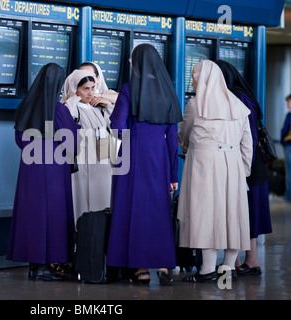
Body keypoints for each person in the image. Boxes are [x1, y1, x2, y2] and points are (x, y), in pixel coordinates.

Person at [106, 44, 182, 285]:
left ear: (136, 64)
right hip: (159, 157)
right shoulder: (169, 93)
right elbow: (173, 141)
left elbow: (117, 127)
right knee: (159, 210)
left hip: (132, 153)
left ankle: (140, 269)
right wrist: (173, 175)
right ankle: (163, 265)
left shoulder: (128, 90)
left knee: (133, 210)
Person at [178, 60, 253, 283]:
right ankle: (227, 268)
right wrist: (243, 171)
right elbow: (246, 144)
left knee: (205, 215)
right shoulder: (238, 107)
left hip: (203, 165)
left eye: (194, 76)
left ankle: (207, 270)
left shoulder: (195, 104)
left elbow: (185, 134)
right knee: (232, 215)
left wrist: (187, 148)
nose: (192, 81)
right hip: (233, 165)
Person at [6, 63, 80, 281]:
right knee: (55, 214)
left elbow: (20, 139)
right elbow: (72, 143)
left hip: (30, 170)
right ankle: (49, 265)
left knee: (32, 214)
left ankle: (34, 265)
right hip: (56, 168)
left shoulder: (26, 106)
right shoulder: (59, 110)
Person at [215, 60, 272, 277]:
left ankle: (251, 261)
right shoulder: (241, 93)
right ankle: (238, 262)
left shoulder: (238, 96)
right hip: (248, 162)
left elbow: (248, 136)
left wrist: (241, 163)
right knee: (243, 211)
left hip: (248, 164)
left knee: (248, 211)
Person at [61, 69, 114, 224]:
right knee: (83, 205)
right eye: (86, 89)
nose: (91, 93)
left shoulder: (97, 108)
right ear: (74, 89)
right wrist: (72, 99)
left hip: (102, 164)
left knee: (103, 203)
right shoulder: (70, 107)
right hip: (83, 166)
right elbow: (66, 123)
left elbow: (115, 126)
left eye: (92, 88)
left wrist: (108, 104)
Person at [280, 94, 291, 202]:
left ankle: (288, 197)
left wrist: (283, 141)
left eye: (288, 101)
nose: (287, 104)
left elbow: (284, 130)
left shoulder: (289, 115)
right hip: (288, 146)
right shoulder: (288, 115)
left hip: (289, 146)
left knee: (289, 172)